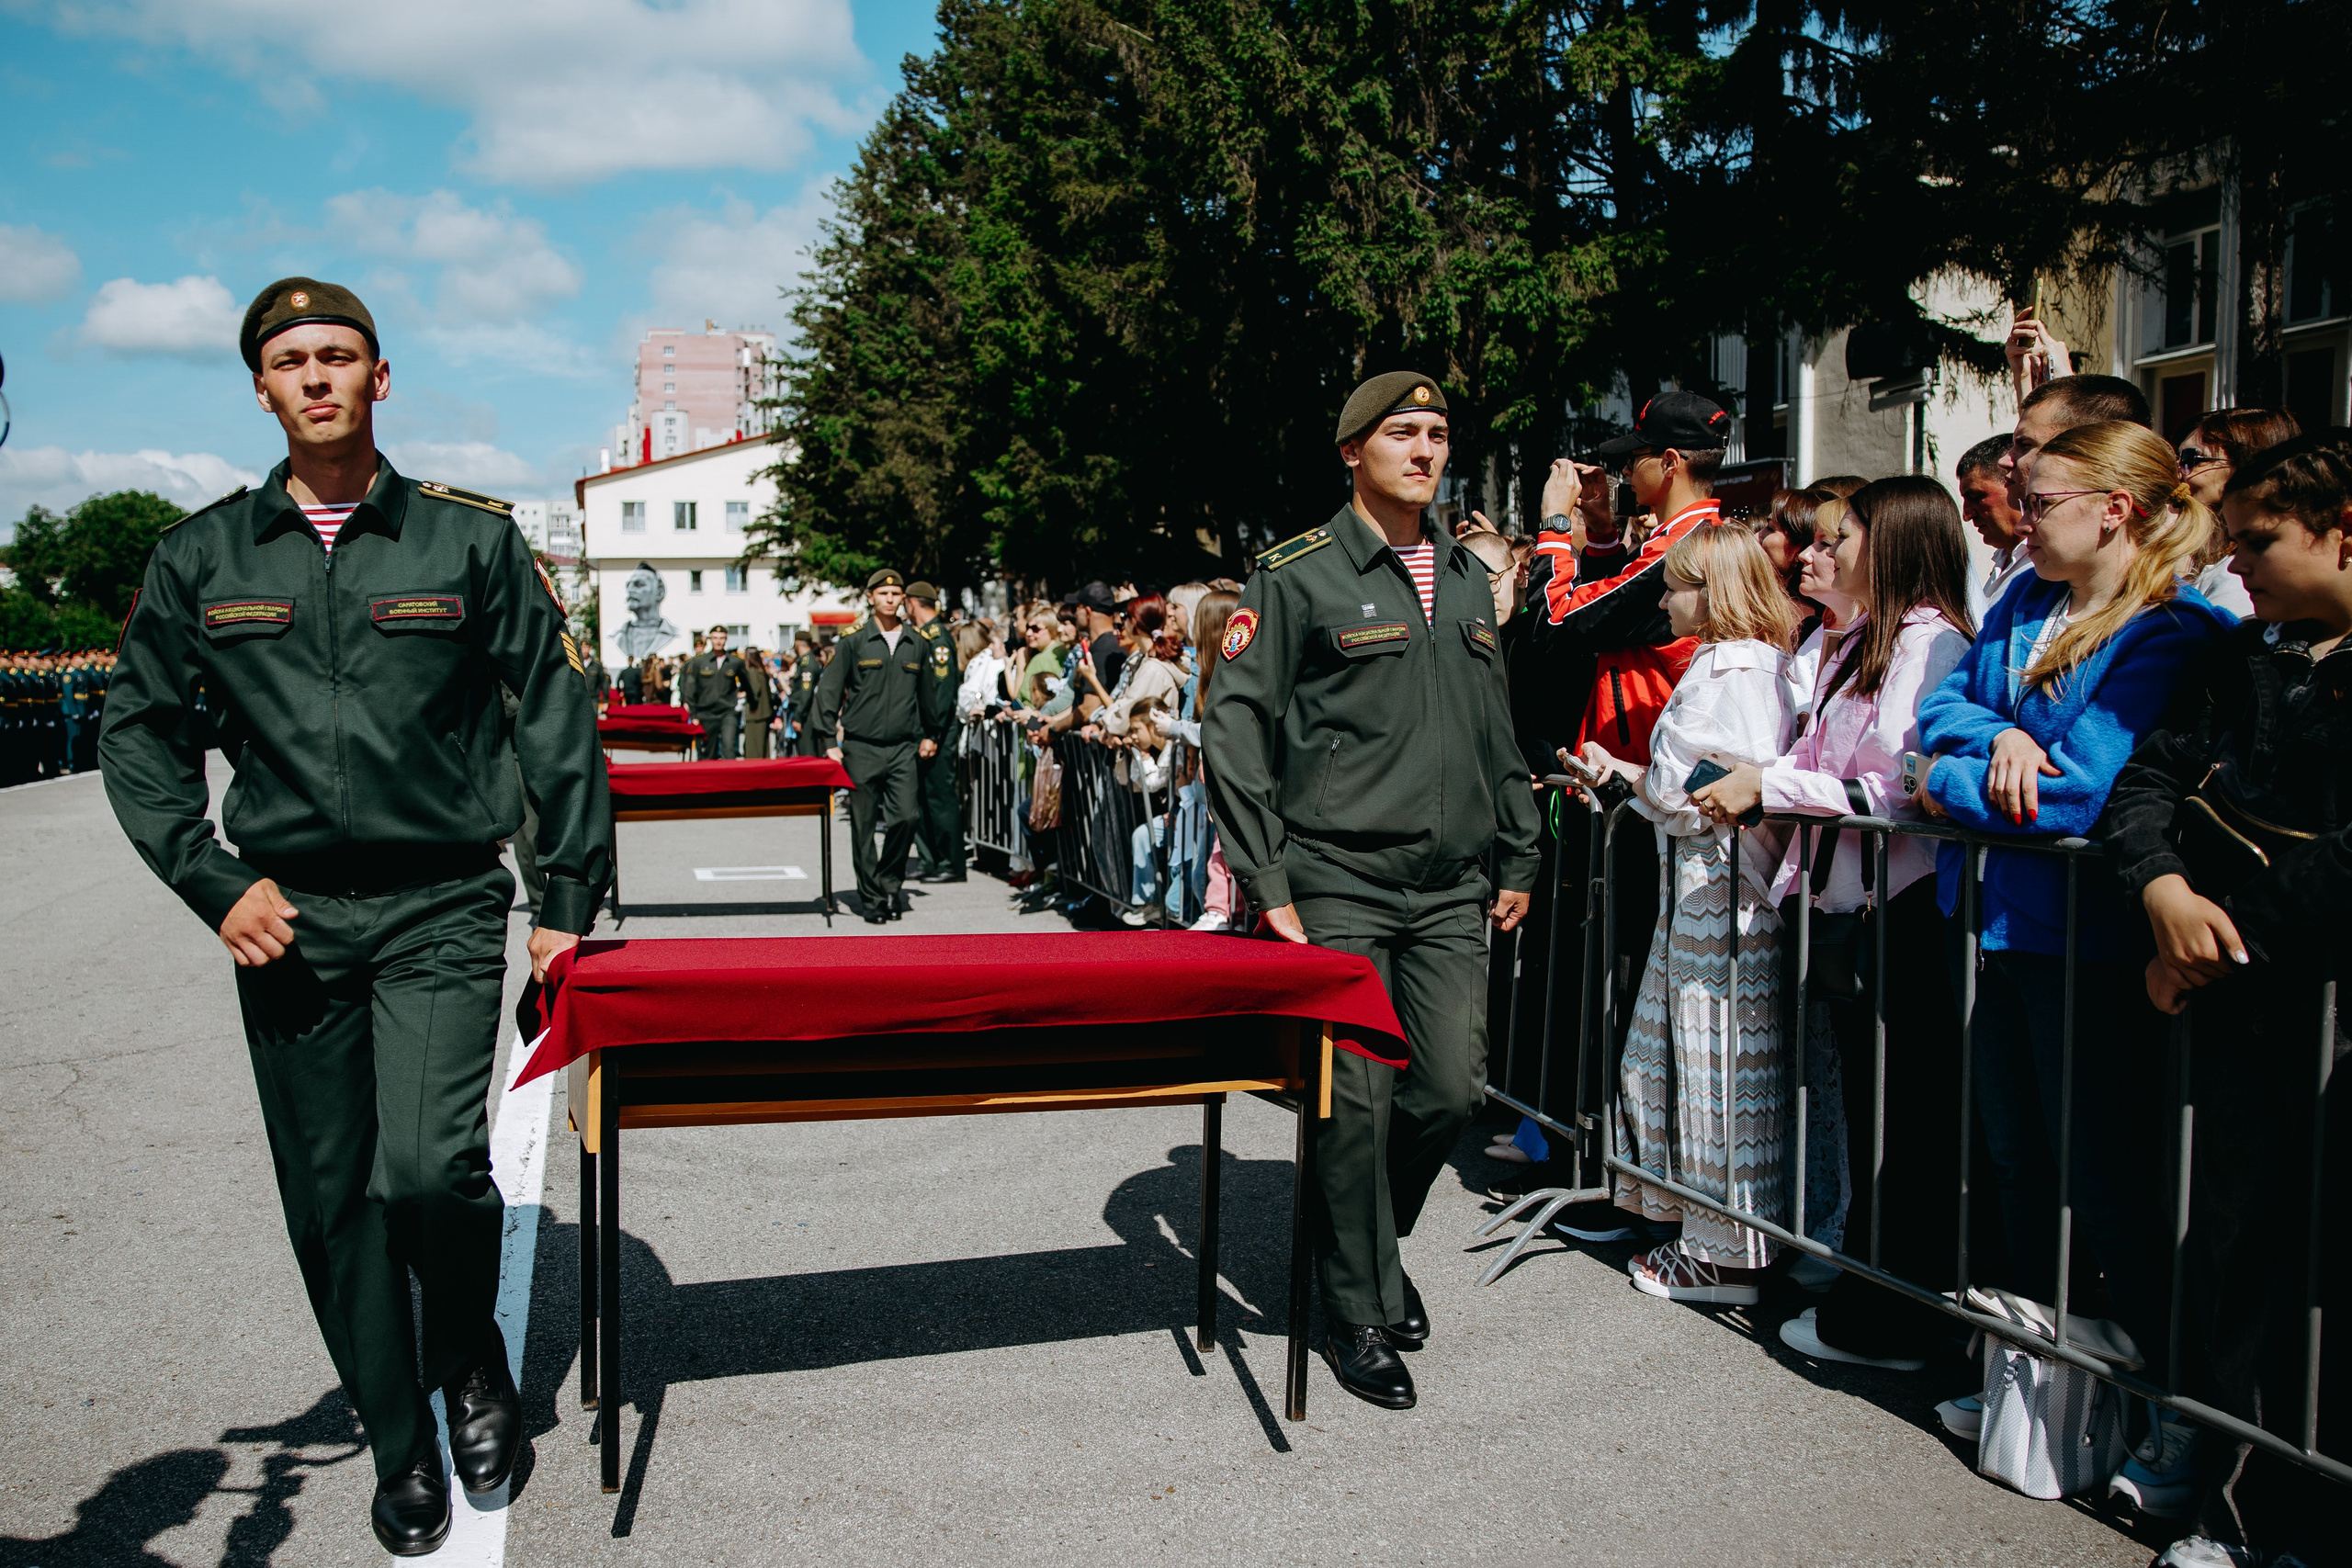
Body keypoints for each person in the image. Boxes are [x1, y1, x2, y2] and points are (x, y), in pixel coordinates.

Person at [97, 276, 610, 1556]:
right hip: (288, 917)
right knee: (336, 1200)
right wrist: (212, 879)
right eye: (292, 361)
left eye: (339, 356)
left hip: (440, 898)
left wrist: (563, 897)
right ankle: (397, 1440)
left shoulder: (469, 541)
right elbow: (140, 733)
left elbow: (551, 717)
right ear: (261, 389)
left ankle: (468, 1353)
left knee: (430, 1168)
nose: (317, 377)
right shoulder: (201, 556)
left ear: (380, 379)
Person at [1202, 369, 1539, 1412]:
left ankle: (1367, 1249)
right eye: (1402, 432)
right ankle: (1356, 1306)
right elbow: (1234, 726)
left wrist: (1519, 848)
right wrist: (1266, 877)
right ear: (1354, 451)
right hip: (1336, 877)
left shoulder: (1468, 578)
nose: (1425, 449)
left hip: (1449, 886)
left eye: (1437, 432)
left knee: (1449, 1091)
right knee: (1355, 1100)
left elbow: (1493, 724)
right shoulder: (1295, 575)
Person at [1920, 418, 2236, 1382]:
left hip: (2086, 941)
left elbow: (2079, 794)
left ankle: (2169, 1398)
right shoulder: (2027, 600)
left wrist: (1939, 781)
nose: (2022, 518)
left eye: (2041, 501)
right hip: (1998, 920)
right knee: (2018, 1160)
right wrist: (1997, 739)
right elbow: (1941, 705)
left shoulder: (2170, 630)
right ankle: (2040, 1374)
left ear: (2115, 510)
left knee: (2104, 1180)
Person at [2102, 430, 2352, 1565]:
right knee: (2240, 1251)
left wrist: (2220, 938)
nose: (2233, 562)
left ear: (2341, 532)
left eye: (2257, 540)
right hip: (2248, 1022)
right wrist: (2161, 888)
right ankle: (2240, 1499)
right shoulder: (2247, 656)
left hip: (2318, 1006)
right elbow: (2149, 777)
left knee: (2328, 1284)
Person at [1697, 477, 1980, 1363]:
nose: (1815, 553)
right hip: (1848, 903)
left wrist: (1768, 783)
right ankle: (1873, 1288)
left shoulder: (1929, 644)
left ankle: (1898, 1312)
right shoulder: (1857, 640)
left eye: (1837, 538)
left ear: (1892, 545)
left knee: (1907, 1119)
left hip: (1903, 907)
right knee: (1872, 1110)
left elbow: (1895, 787)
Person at [1569, 522, 1800, 1306]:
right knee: (1683, 1063)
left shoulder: (1734, 670)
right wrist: (1632, 772)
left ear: (1712, 591)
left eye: (1672, 588)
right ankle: (1702, 1233)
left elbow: (1694, 788)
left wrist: (1642, 779)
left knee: (1714, 1073)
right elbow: (1686, 780)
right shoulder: (1747, 662)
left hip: (1721, 890)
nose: (1662, 602)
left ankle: (1727, 1252)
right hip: (1708, 885)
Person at [816, 570, 947, 922]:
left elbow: (928, 694)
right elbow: (829, 691)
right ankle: (872, 899)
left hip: (903, 748)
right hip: (861, 747)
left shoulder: (917, 641)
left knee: (906, 817)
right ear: (871, 597)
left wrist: (932, 733)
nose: (890, 599)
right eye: (883, 593)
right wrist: (828, 740)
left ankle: (890, 885)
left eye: (896, 593)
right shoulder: (853, 641)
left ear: (903, 598)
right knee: (862, 826)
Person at [2177, 407, 2301, 622]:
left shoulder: (2238, 577)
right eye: (2177, 459)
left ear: (2243, 467)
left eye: (2191, 459)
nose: (2178, 472)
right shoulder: (2205, 556)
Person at [904, 581, 966, 882]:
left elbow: (942, 691)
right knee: (922, 797)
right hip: (922, 729)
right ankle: (929, 859)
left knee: (940, 796)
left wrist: (933, 733)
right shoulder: (922, 636)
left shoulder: (937, 638)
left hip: (936, 729)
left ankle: (950, 862)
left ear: (912, 603)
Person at [1955, 433, 2032, 611]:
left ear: (2013, 484)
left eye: (1977, 497)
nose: (1967, 515)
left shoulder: (2045, 565)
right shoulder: (2002, 560)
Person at [681, 624, 747, 758]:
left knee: (729, 749)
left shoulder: (734, 662)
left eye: (722, 638)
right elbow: (690, 689)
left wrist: (741, 695)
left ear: (726, 639)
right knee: (707, 753)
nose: (718, 641)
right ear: (710, 639)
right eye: (715, 638)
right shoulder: (699, 662)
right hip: (706, 713)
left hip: (728, 712)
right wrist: (694, 715)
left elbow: (746, 683)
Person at [786, 631, 822, 754]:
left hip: (806, 714)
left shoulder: (807, 664)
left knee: (807, 752)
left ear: (797, 643)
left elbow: (806, 693)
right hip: (804, 712)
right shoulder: (804, 661)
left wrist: (798, 717)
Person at [740, 641, 777, 757]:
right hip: (763, 712)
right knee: (763, 747)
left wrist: (746, 697)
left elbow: (755, 691)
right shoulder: (761, 671)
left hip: (755, 713)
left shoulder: (752, 671)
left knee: (754, 749)